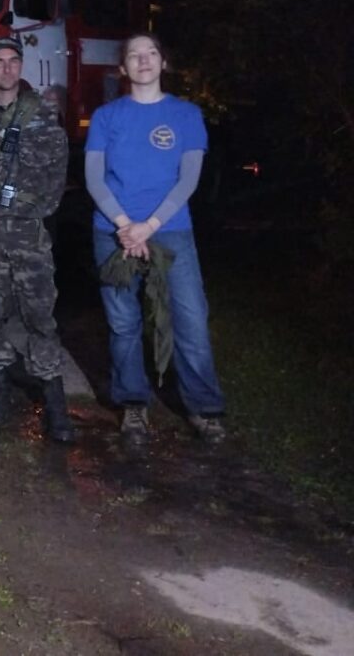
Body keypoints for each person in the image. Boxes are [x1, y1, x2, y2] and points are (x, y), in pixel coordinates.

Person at [86, 33, 226, 446]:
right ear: (123, 68)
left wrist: (148, 226)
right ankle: (133, 405)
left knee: (191, 319)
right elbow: (94, 177)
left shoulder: (186, 115)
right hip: (113, 231)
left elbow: (189, 180)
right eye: (134, 55)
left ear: (163, 62)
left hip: (171, 230)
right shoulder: (106, 116)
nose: (143, 60)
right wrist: (125, 224)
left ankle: (204, 408)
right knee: (123, 322)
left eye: (151, 53)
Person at [0, 37, 75, 443]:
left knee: (40, 312)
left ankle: (54, 400)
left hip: (27, 231)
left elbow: (57, 170)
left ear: (20, 66)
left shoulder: (42, 114)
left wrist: (36, 211)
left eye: (13, 61)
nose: (6, 68)